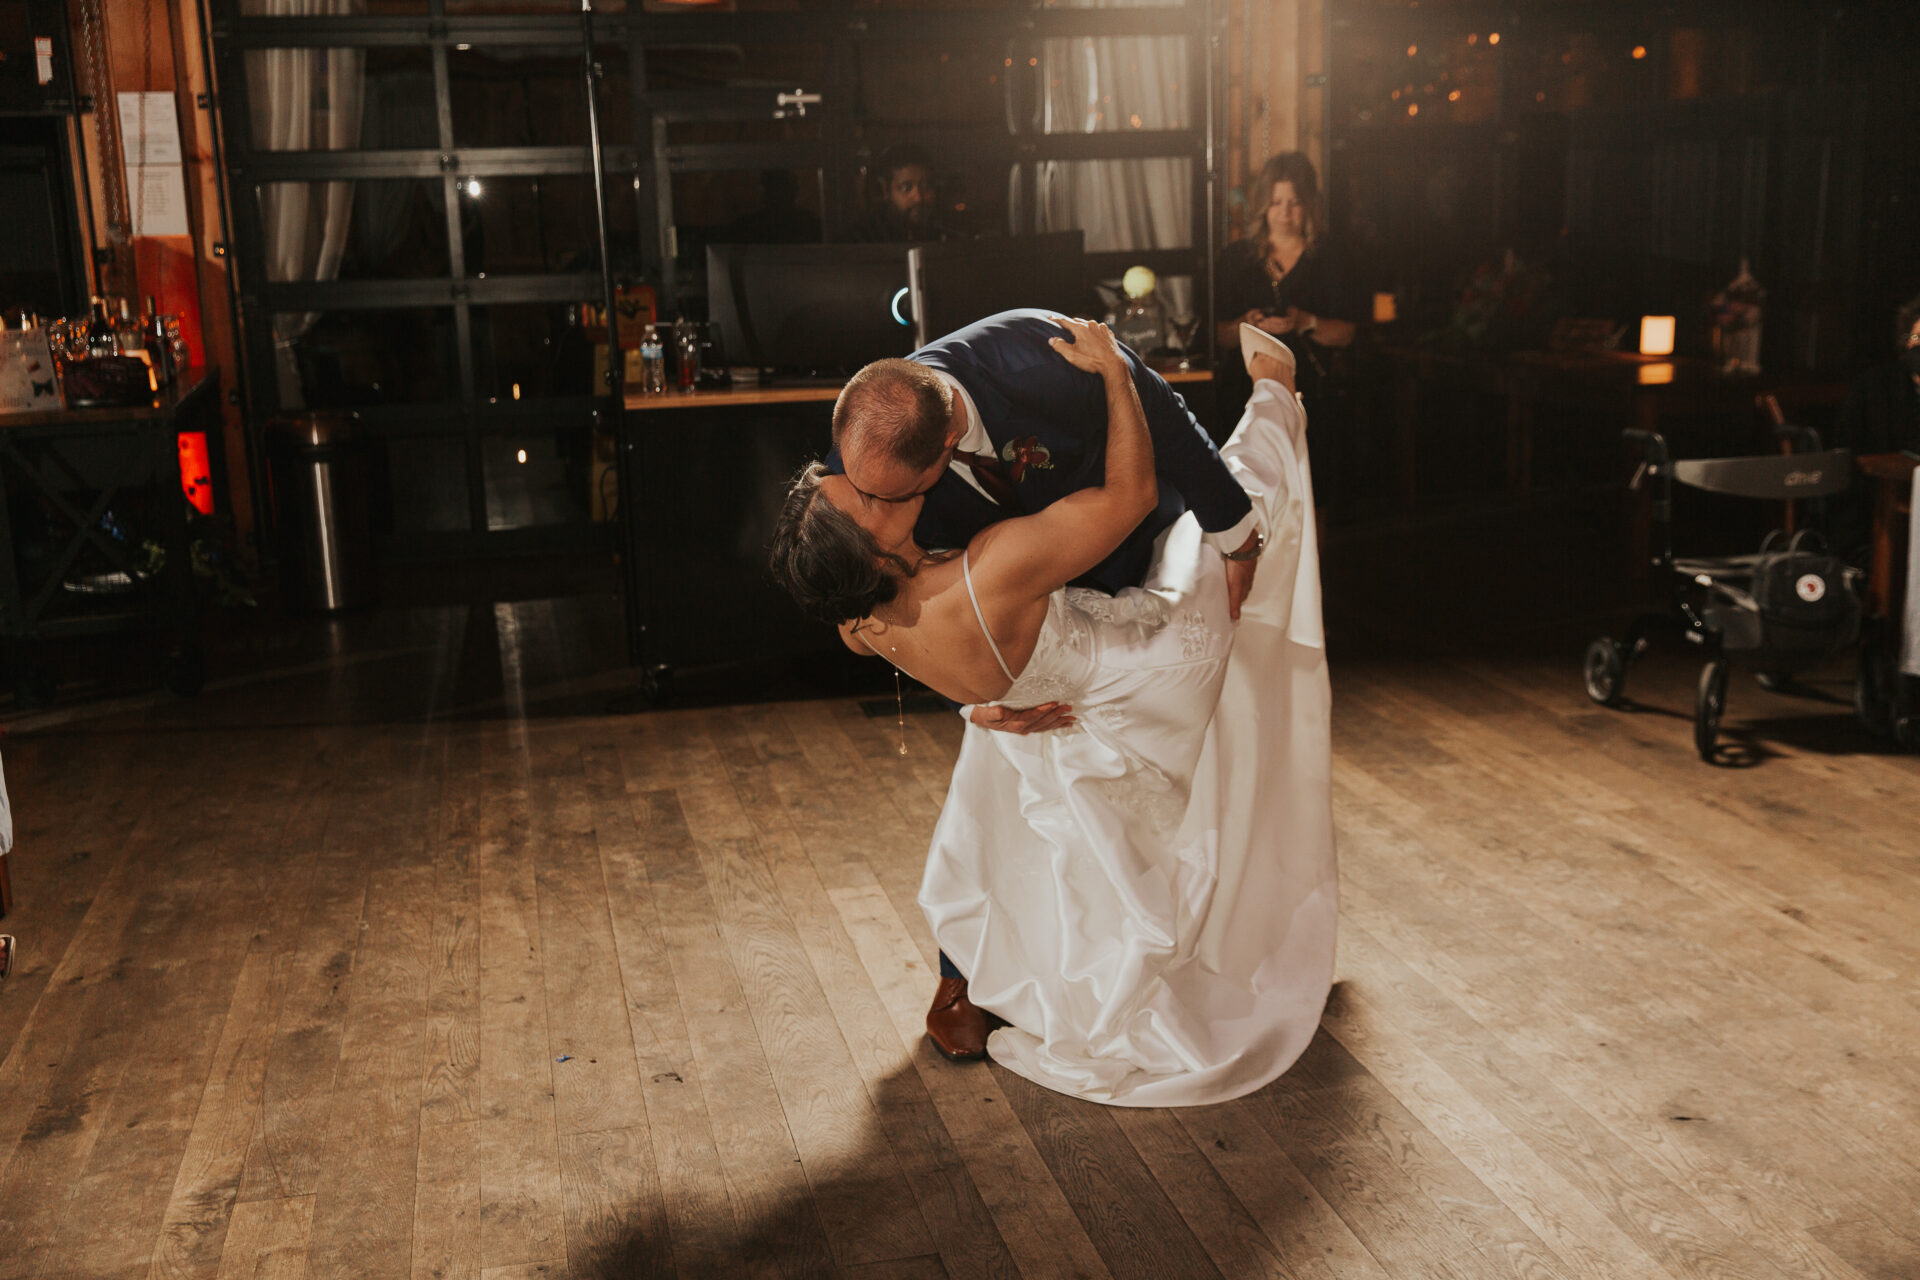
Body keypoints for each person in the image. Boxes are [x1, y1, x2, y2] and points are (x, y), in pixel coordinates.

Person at [769, 319, 1336, 1105]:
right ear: (875, 549)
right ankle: (1275, 396)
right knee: (1213, 552)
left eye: (866, 491)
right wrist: (1115, 375)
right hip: (1143, 662)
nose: (854, 488)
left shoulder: (865, 617)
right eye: (859, 498)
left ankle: (1274, 391)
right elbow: (1126, 497)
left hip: (1055, 648)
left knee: (1233, 527)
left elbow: (883, 628)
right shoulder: (960, 550)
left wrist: (981, 700)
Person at [1214, 152, 1360, 508]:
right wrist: (1246, 324)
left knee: (1312, 496)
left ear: (1309, 205)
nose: (1285, 213)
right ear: (1263, 204)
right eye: (1276, 202)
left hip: (1312, 398)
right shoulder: (1238, 259)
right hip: (1247, 397)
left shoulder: (1331, 258)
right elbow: (1219, 336)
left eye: (1294, 203)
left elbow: (1348, 334)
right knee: (1248, 495)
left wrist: (1304, 321)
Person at [1830, 294, 1920, 563]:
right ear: (1905, 343)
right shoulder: (1875, 387)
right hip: (1879, 506)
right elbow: (1849, 459)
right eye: (1918, 339)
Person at [847, 144, 952, 243]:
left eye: (926, 186)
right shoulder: (863, 239)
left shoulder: (945, 237)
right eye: (906, 187)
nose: (918, 198)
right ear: (886, 190)